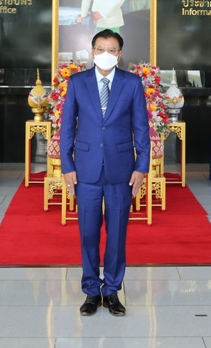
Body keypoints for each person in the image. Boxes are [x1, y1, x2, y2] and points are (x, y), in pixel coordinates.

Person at [60, 29, 150, 317]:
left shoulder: (132, 83)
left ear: (119, 54)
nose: (106, 54)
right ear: (93, 51)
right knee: (88, 233)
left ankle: (111, 290)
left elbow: (141, 128)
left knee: (117, 234)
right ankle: (90, 290)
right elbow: (66, 127)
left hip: (120, 170)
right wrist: (67, 165)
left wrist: (142, 166)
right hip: (85, 170)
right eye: (101, 49)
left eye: (112, 49)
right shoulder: (77, 82)